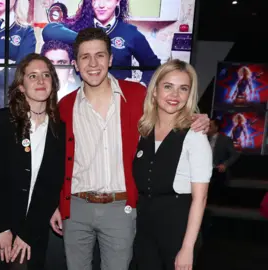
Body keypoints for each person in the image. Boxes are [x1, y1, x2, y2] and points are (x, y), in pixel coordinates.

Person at [49, 28, 209, 270]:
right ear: (75, 64)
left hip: (120, 208)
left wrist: (203, 120)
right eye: (85, 57)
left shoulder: (137, 95)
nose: (93, 63)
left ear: (111, 59)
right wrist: (56, 203)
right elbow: (56, 158)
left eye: (100, 55)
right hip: (76, 208)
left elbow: (169, 113)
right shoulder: (65, 105)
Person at [0, 53, 66, 269]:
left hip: (34, 229)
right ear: (20, 86)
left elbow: (51, 186)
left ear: (53, 83)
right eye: (33, 76)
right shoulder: (3, 121)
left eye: (46, 75)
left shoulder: (60, 128)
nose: (40, 81)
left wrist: (27, 234)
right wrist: (2, 228)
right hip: (1, 227)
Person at [131, 59, 212, 270]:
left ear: (189, 94)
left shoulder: (195, 135)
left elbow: (200, 198)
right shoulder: (144, 132)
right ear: (155, 91)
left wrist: (187, 248)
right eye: (168, 87)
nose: (175, 95)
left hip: (177, 228)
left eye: (183, 89)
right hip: (145, 229)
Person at [42, 0, 160, 86]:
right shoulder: (79, 27)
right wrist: (86, 39)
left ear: (118, 2)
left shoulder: (130, 33)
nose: (101, 5)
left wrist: (142, 85)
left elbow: (154, 66)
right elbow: (49, 31)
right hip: (81, 101)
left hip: (118, 103)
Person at [207, 118, 239, 204]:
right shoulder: (203, 138)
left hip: (218, 169)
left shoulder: (225, 140)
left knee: (219, 179)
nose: (207, 128)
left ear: (216, 128)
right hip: (204, 169)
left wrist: (225, 165)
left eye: (209, 126)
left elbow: (234, 154)